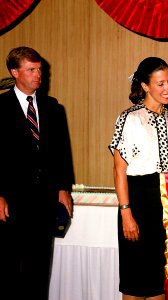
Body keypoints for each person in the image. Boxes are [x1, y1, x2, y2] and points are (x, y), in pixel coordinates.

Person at [109, 57, 168, 300]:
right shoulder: (129, 118)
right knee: (134, 282)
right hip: (138, 200)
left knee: (159, 281)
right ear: (145, 86)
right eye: (160, 84)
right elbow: (119, 169)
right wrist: (126, 213)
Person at [0, 46, 74, 300]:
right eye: (31, 70)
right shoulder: (0, 107)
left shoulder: (53, 107)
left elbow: (62, 152)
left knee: (40, 270)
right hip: (11, 203)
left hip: (44, 203)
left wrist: (63, 189)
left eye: (40, 69)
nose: (38, 75)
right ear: (15, 72)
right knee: (10, 270)